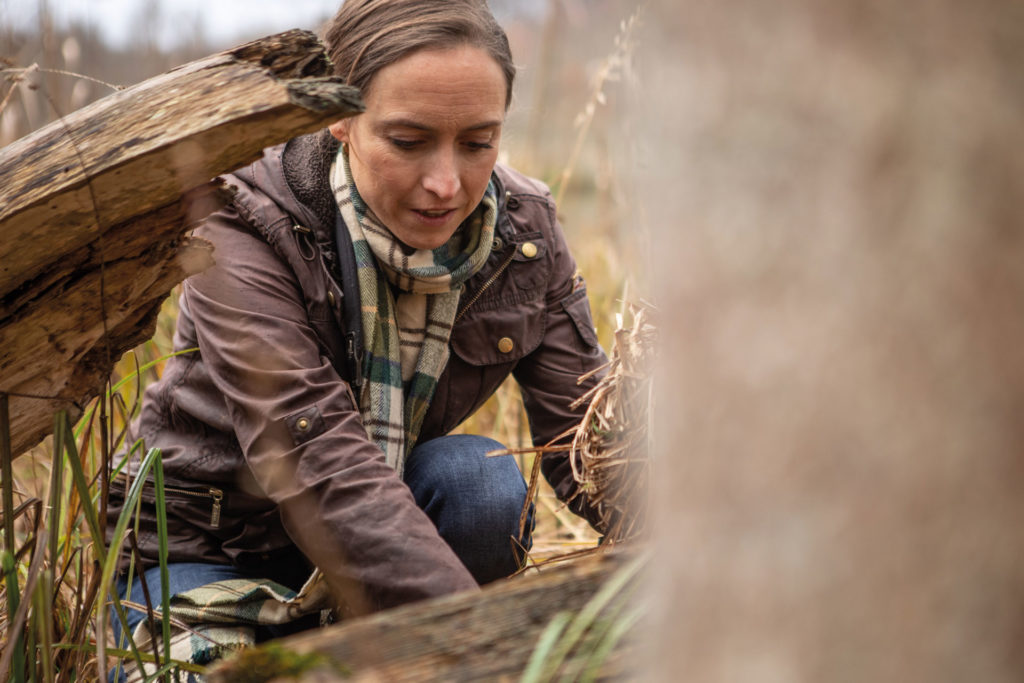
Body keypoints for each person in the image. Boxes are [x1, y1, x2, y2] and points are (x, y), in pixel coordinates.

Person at [105, 0, 608, 653]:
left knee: (481, 480)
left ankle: (385, 639)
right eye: (408, 140)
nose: (447, 184)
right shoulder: (244, 220)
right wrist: (480, 648)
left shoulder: (524, 232)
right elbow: (322, 462)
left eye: (479, 142)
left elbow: (584, 439)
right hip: (211, 548)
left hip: (387, 528)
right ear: (340, 118)